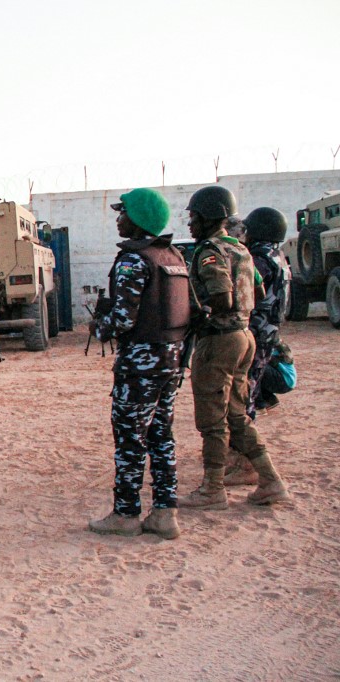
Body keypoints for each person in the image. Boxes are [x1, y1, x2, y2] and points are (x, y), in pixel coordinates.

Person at [179, 186, 290, 509]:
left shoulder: (209, 251)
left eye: (194, 217)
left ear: (209, 216)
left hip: (218, 340)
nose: (190, 223)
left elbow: (221, 295)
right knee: (237, 415)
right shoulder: (241, 250)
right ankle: (270, 479)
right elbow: (256, 288)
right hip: (245, 337)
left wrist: (194, 314)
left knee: (212, 419)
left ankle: (212, 489)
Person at [87, 189, 187, 539]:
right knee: (162, 438)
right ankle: (165, 513)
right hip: (170, 362)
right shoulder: (172, 256)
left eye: (123, 213)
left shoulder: (134, 260)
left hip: (140, 367)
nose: (118, 218)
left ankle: (126, 514)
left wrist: (98, 327)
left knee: (130, 439)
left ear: (139, 218)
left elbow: (122, 321)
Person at [224, 207, 291, 486]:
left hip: (254, 333)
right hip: (268, 334)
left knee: (242, 398)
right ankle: (241, 459)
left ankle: (246, 464)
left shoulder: (259, 258)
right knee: (246, 394)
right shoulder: (278, 256)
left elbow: (245, 294)